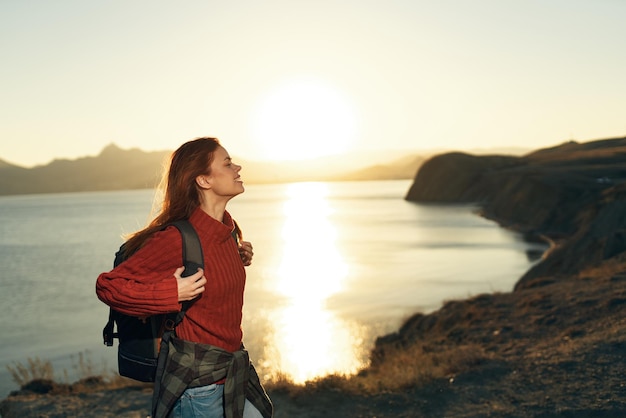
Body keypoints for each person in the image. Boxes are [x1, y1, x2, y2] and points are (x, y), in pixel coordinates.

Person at [96, 137, 273, 418]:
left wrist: (238, 257)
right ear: (203, 180)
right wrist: (171, 293)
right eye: (227, 163)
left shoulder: (227, 230)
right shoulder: (176, 239)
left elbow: (212, 273)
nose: (237, 167)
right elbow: (108, 286)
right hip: (197, 388)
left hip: (233, 373)